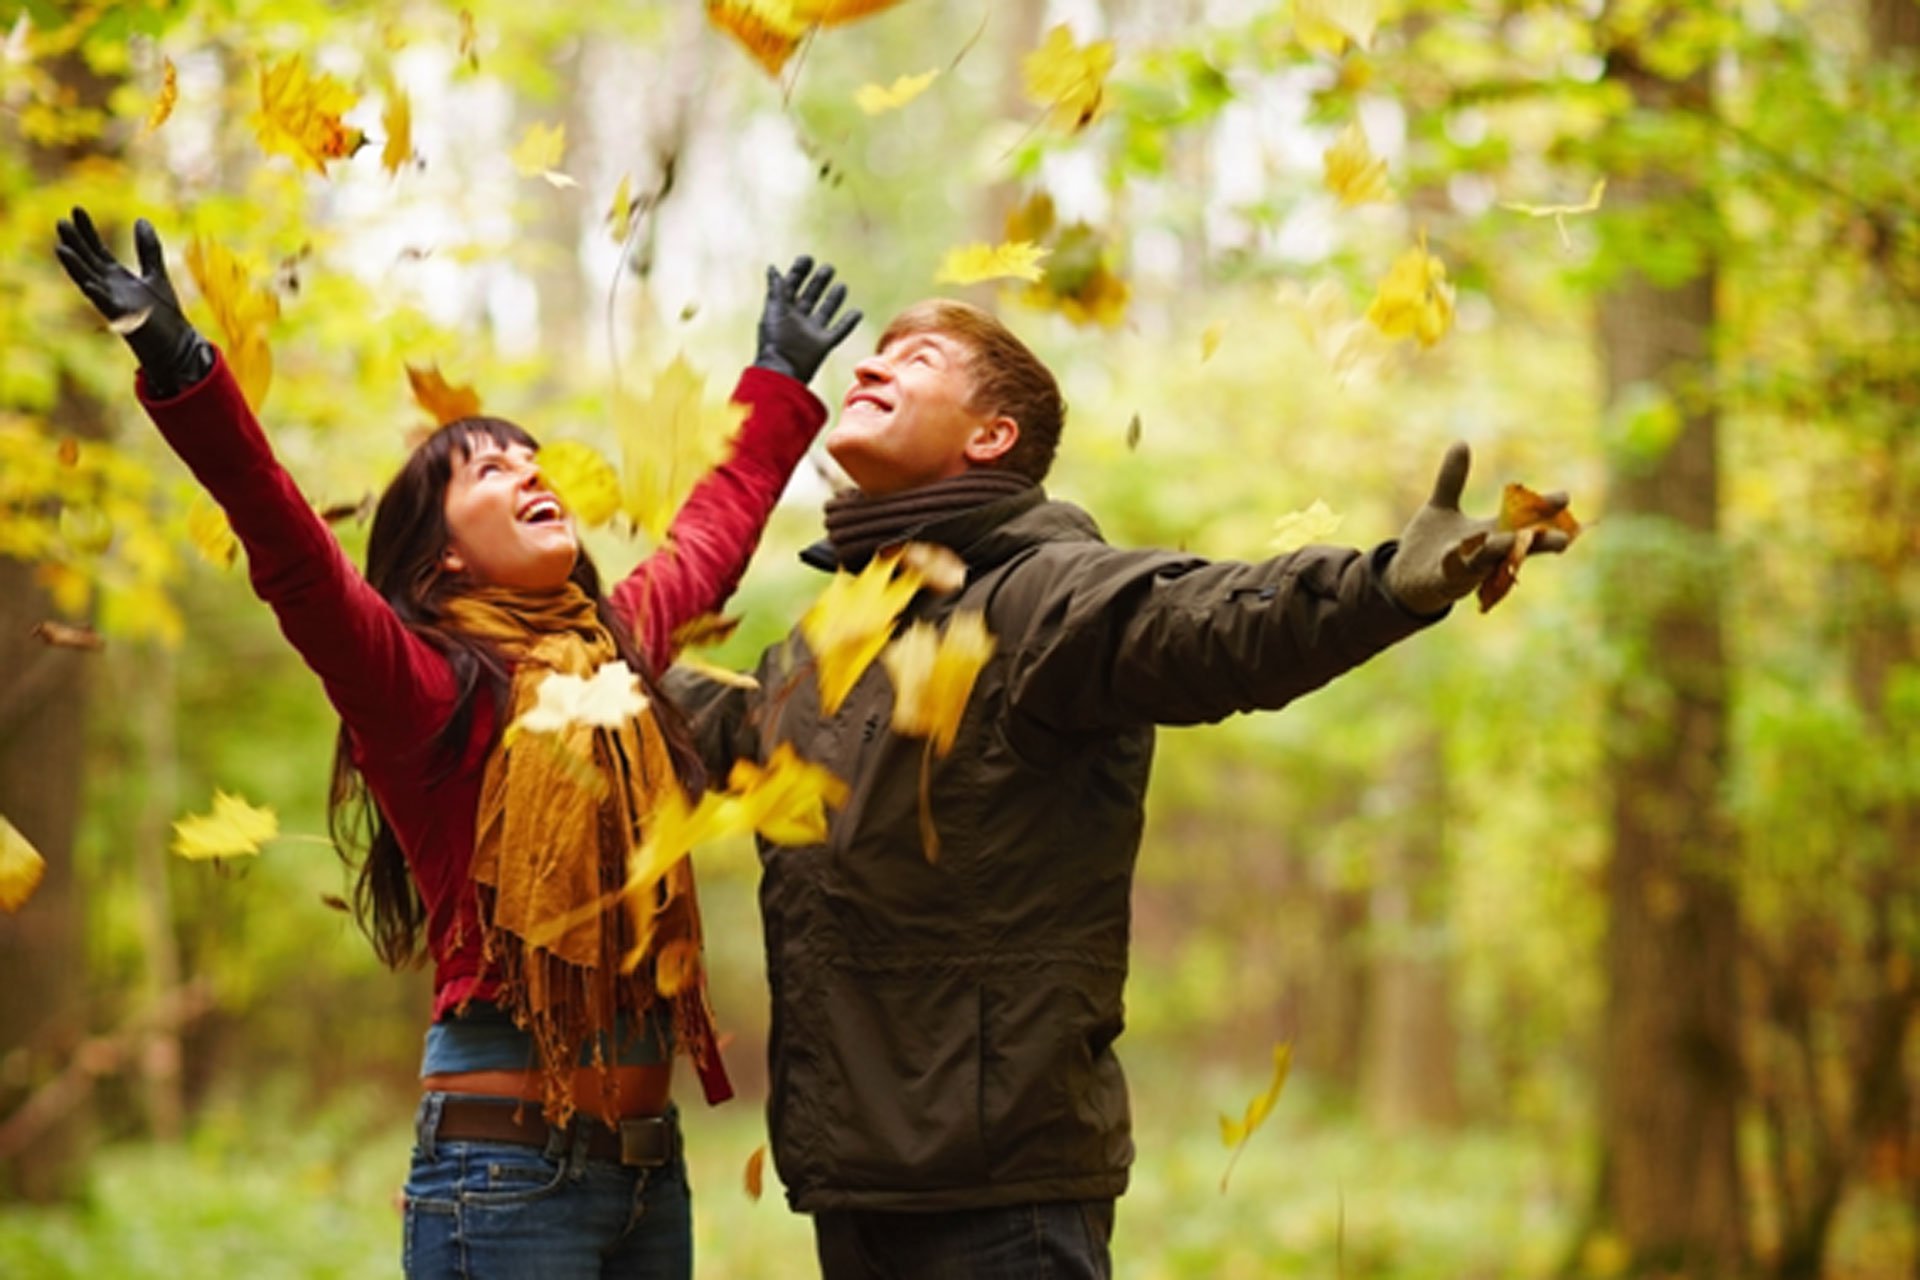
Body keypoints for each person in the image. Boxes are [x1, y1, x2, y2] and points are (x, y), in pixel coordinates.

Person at [668, 299, 1572, 1278]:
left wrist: (1383, 585)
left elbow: (1210, 620)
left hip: (1001, 1208)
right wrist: (535, 594)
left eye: (916, 357)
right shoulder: (814, 655)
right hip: (851, 1199)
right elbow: (638, 702)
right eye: (870, 359)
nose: (870, 370)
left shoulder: (1041, 593)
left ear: (992, 435)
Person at [53, 206, 862, 1279]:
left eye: (536, 460)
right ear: (440, 563)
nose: (532, 472)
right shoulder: (419, 688)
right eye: (489, 469)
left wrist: (774, 379)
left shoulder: (610, 657)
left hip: (648, 1178)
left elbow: (708, 538)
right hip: (503, 1179)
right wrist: (182, 361)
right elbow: (287, 541)